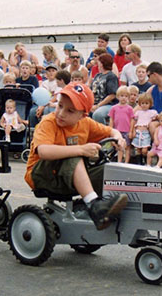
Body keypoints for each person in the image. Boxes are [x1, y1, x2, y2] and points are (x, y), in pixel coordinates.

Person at [24, 83, 128, 230]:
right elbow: (43, 151)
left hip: (66, 176)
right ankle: (94, 205)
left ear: (82, 115)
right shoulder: (49, 122)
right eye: (60, 106)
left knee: (109, 169)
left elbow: (111, 131)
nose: (61, 113)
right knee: (74, 154)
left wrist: (118, 138)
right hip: (42, 175)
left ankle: (112, 208)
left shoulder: (86, 123)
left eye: (70, 111)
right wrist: (81, 149)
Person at [90, 53, 119, 124]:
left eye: (99, 62)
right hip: (95, 103)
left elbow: (112, 95)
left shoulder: (111, 76)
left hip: (108, 104)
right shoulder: (97, 76)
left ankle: (103, 132)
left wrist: (98, 105)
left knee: (98, 114)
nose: (97, 64)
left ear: (102, 63)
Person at [130, 92, 157, 164]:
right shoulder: (138, 112)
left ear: (150, 104)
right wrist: (133, 131)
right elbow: (134, 121)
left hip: (146, 133)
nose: (144, 105)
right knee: (138, 149)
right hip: (138, 131)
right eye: (142, 103)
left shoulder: (152, 112)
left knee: (144, 149)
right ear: (140, 104)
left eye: (146, 103)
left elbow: (156, 118)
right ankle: (139, 162)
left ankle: (146, 160)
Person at [108, 86, 134, 162]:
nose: (124, 98)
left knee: (127, 147)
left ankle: (126, 162)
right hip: (117, 131)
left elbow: (132, 120)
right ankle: (119, 161)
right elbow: (111, 120)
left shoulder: (129, 108)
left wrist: (131, 131)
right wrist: (110, 130)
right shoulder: (114, 108)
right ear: (118, 96)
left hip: (126, 130)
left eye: (126, 96)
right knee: (120, 146)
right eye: (122, 96)